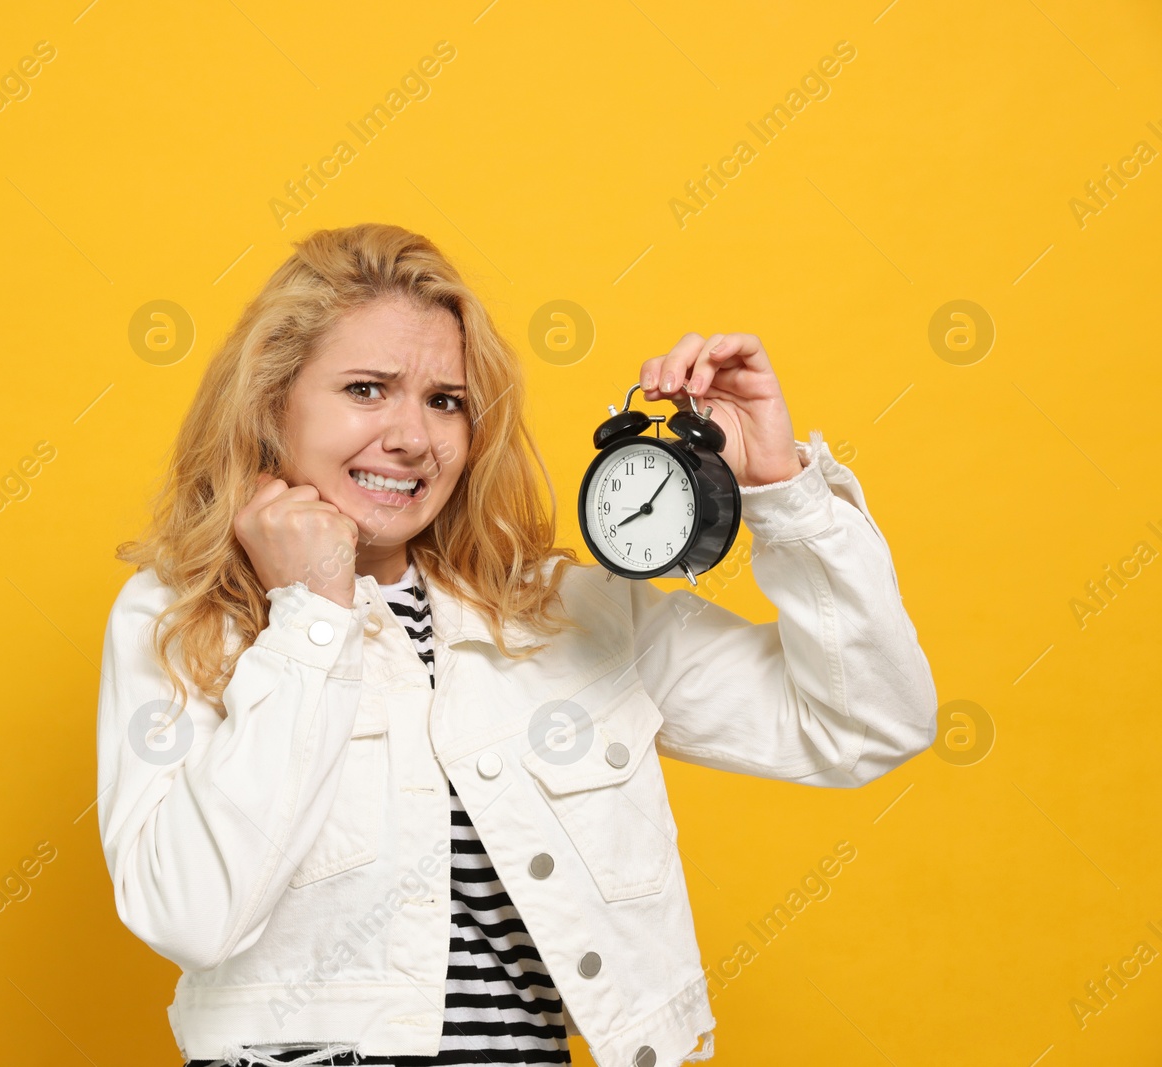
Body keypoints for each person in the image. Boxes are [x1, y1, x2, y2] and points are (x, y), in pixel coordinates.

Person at [97, 222, 937, 1067]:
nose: (412, 437)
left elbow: (868, 722)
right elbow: (189, 916)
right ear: (272, 401)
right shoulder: (180, 619)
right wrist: (312, 614)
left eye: (445, 400)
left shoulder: (567, 613)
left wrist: (782, 487)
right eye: (366, 388)